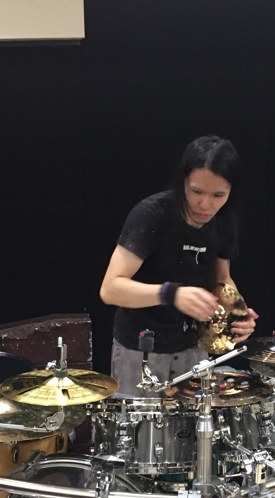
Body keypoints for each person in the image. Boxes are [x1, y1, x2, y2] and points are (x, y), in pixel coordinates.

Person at [100, 135, 259, 397]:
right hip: (140, 350)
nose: (205, 204)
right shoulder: (152, 214)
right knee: (141, 424)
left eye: (218, 195)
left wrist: (237, 312)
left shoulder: (224, 220)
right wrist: (171, 294)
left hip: (192, 348)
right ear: (183, 181)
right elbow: (110, 289)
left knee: (191, 424)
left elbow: (222, 280)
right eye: (197, 191)